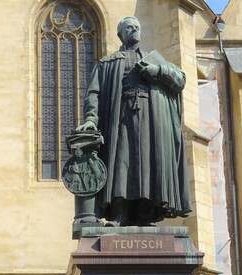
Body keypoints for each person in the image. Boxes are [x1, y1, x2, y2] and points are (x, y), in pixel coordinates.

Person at [76, 16, 192, 226]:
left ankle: (145, 216)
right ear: (121, 34)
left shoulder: (153, 59)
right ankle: (119, 215)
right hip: (120, 119)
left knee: (148, 164)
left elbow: (180, 79)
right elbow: (93, 93)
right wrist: (91, 118)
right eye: (129, 28)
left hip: (151, 120)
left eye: (137, 27)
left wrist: (159, 72)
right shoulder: (106, 63)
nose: (134, 30)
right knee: (121, 164)